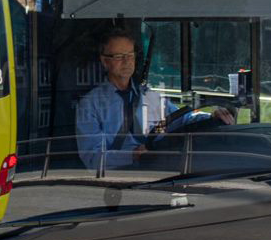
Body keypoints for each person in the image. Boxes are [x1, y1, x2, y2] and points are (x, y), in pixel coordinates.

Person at [76, 29, 233, 172]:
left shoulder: (150, 96)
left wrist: (212, 117)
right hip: (118, 179)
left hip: (158, 172)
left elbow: (180, 119)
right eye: (119, 56)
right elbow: (92, 158)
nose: (127, 61)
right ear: (104, 61)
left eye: (130, 55)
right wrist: (132, 155)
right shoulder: (90, 105)